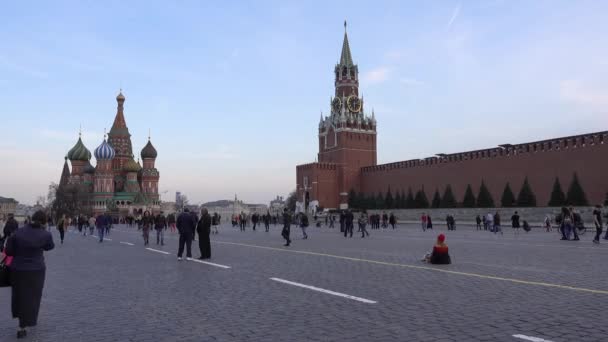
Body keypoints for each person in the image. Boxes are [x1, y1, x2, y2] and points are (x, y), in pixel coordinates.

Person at [5, 210, 54, 339]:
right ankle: (25, 324)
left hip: (17, 269)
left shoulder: (18, 233)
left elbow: (9, 251)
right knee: (32, 297)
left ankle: (21, 322)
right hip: (36, 270)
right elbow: (50, 247)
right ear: (44, 221)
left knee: (19, 295)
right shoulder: (45, 234)